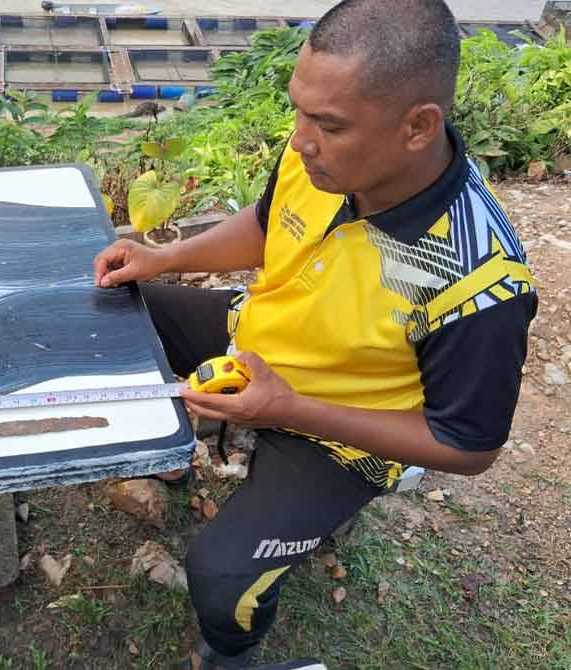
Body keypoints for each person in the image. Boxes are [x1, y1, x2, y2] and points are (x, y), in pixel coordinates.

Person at [92, 1, 537, 668]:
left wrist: (285, 408)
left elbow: (469, 448)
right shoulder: (326, 156)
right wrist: (164, 257)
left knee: (219, 577)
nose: (300, 139)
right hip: (255, 342)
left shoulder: (477, 280)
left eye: (326, 124)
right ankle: (170, 449)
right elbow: (271, 223)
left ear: (418, 127)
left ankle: (228, 657)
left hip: (341, 432)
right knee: (113, 312)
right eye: (300, 110)